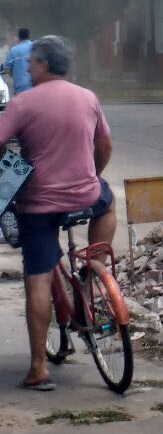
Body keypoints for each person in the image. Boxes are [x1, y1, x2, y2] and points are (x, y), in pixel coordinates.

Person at [0, 35, 115, 392]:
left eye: (31, 63)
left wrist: (8, 171)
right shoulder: (88, 98)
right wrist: (92, 176)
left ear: (44, 65)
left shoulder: (22, 103)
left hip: (40, 206)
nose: (28, 68)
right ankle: (93, 268)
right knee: (108, 203)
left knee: (36, 281)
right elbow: (104, 144)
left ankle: (38, 369)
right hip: (85, 196)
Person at [3, 28, 34, 95]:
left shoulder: (13, 50)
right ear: (29, 36)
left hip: (20, 88)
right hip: (34, 85)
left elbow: (7, 69)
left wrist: (16, 75)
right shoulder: (36, 47)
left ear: (19, 36)